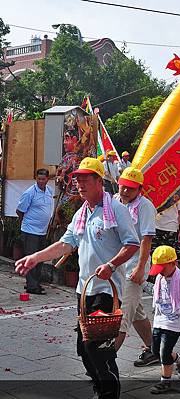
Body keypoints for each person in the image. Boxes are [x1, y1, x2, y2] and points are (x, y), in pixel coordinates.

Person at [15, 157, 140, 399]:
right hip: (84, 290)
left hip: (106, 291)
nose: (80, 184)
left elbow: (132, 243)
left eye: (85, 179)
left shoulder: (116, 209)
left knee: (98, 348)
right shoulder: (82, 213)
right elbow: (65, 244)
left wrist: (112, 265)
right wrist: (35, 258)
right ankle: (99, 387)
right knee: (84, 349)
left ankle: (109, 393)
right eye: (78, 180)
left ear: (98, 181)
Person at [113, 167, 158, 367]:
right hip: (117, 265)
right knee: (137, 310)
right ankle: (157, 350)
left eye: (130, 189)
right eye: (123, 187)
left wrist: (140, 269)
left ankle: (104, 362)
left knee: (122, 314)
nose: (125, 192)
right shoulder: (114, 201)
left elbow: (146, 239)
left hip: (133, 268)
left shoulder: (145, 206)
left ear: (140, 189)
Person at [147, 245, 180, 394]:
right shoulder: (160, 277)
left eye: (162, 268)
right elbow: (155, 292)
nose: (161, 273)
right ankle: (179, 358)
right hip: (159, 319)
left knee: (164, 352)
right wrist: (141, 283)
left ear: (173, 263)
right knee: (155, 351)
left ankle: (165, 381)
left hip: (174, 322)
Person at [16, 168, 54, 295]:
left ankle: (34, 283)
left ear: (47, 179)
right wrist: (25, 224)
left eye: (43, 179)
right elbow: (20, 210)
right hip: (30, 231)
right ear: (36, 178)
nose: (41, 181)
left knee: (39, 259)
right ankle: (32, 286)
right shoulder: (30, 192)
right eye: (39, 179)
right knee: (31, 259)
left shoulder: (49, 191)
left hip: (42, 231)